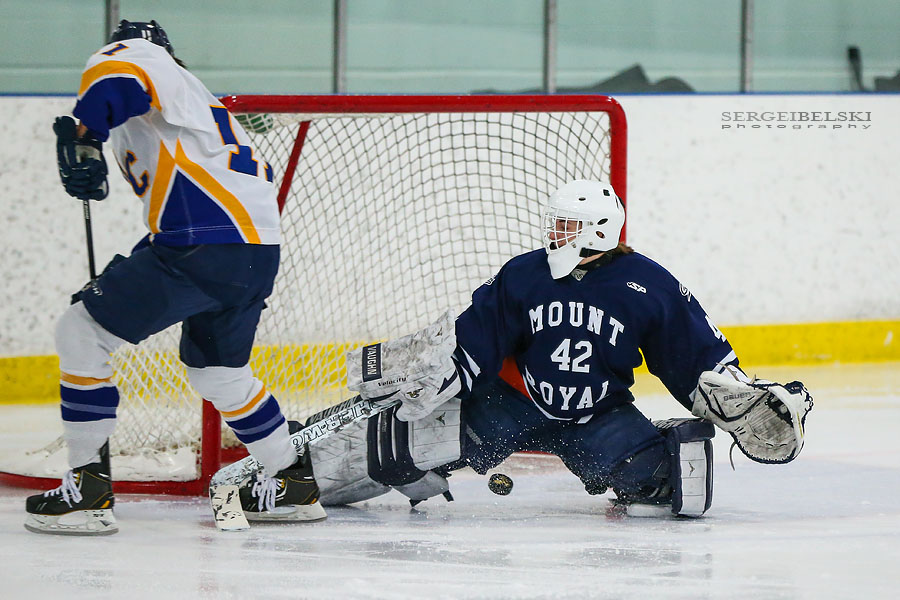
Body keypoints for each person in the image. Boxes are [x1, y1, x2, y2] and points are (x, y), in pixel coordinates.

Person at [279, 179, 814, 517]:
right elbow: (479, 333)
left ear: (596, 232)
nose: (554, 235)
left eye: (566, 227)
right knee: (394, 451)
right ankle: (292, 470)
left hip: (596, 415)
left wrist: (735, 394)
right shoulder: (526, 274)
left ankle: (657, 453)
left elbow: (693, 352)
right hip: (508, 403)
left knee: (668, 486)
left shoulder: (647, 285)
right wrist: (436, 369)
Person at [25, 20, 324, 536]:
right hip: (253, 251)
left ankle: (85, 491)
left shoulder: (140, 57)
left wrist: (84, 135)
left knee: (79, 331)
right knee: (220, 374)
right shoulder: (197, 107)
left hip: (202, 242)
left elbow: (118, 72)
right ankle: (290, 482)